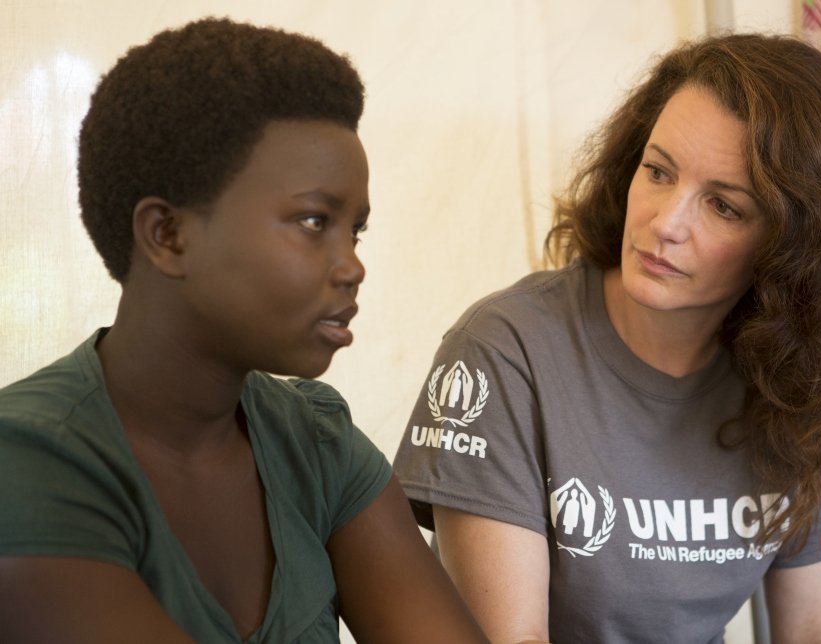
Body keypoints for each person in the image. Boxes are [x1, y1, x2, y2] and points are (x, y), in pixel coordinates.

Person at [393, 32, 821, 643]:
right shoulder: (502, 352)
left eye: (724, 207)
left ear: (793, 246)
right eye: (658, 171)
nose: (665, 223)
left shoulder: (807, 378)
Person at [0, 18, 488, 644]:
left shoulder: (317, 442)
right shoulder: (30, 464)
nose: (353, 266)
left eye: (355, 229)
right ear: (167, 235)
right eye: (315, 221)